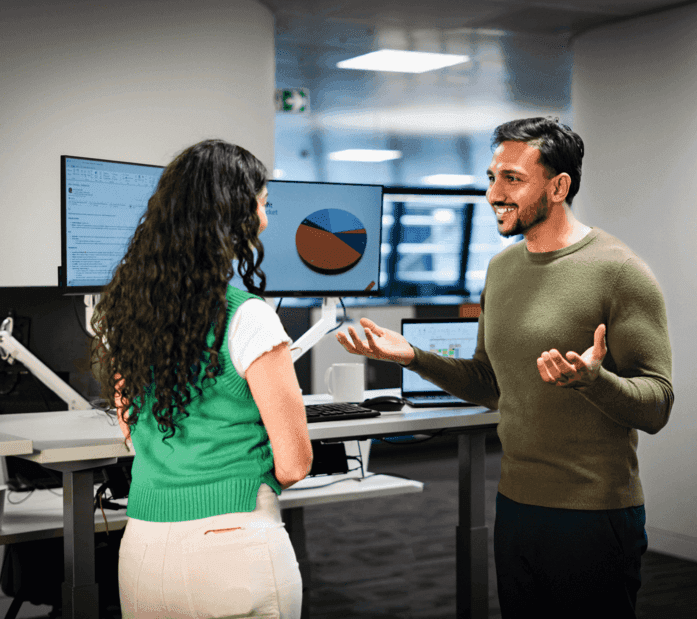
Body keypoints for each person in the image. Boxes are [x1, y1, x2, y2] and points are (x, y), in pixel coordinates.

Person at [336, 117, 673, 618]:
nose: (494, 193)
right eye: (492, 177)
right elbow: (491, 384)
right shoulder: (501, 268)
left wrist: (593, 381)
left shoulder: (619, 272)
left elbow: (657, 404)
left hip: (594, 513)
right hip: (516, 506)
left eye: (512, 179)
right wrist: (414, 357)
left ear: (559, 186)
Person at [91, 139, 312, 619]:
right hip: (235, 547)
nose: (266, 219)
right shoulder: (248, 317)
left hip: (144, 550)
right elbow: (294, 464)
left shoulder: (132, 311)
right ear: (234, 216)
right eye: (261, 204)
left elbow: (131, 428)